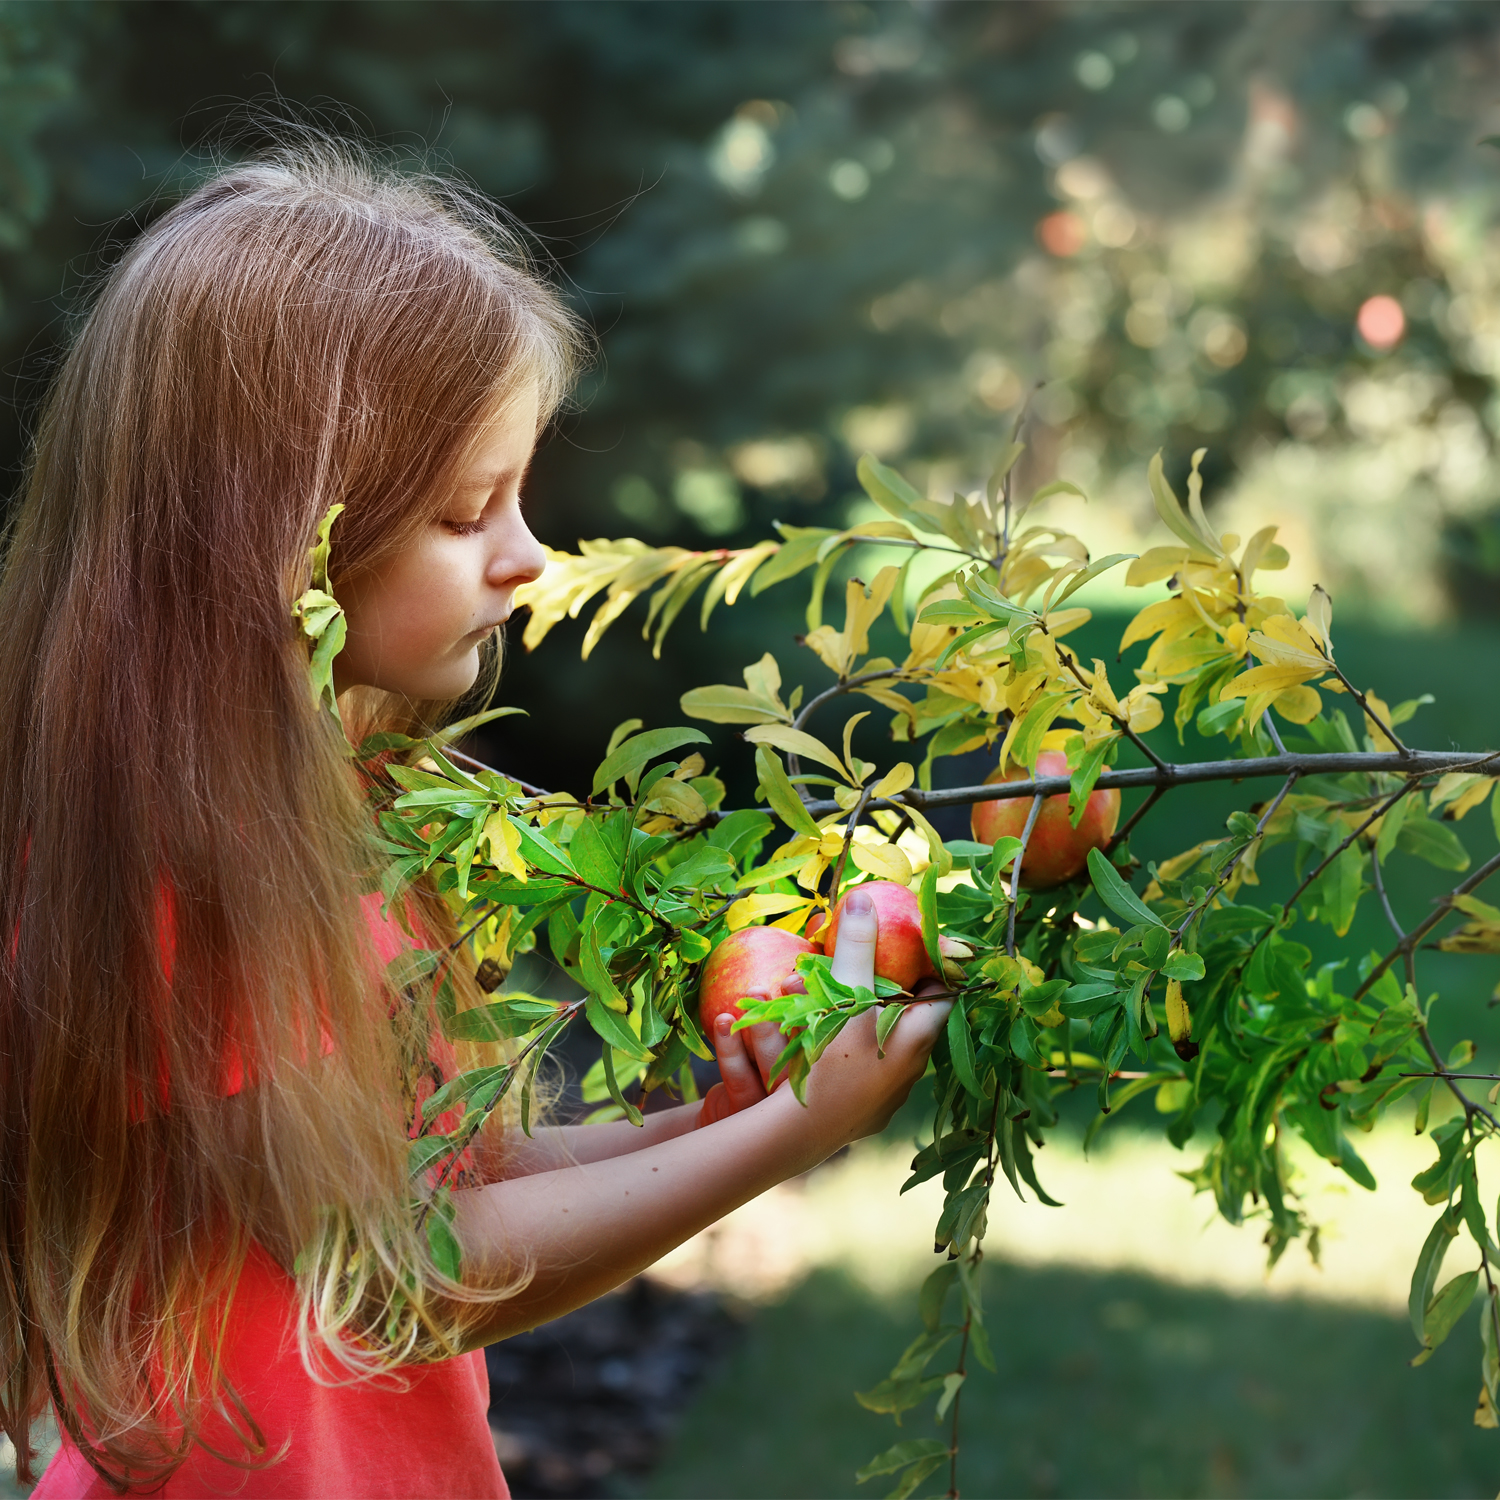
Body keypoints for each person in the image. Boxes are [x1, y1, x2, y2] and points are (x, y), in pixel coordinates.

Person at [0, 137, 951, 1498]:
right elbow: (406, 1275)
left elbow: (457, 1203)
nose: (529, 556)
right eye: (464, 510)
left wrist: (726, 1119)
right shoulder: (177, 870)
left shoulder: (354, 827)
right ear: (284, 540)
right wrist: (782, 1139)